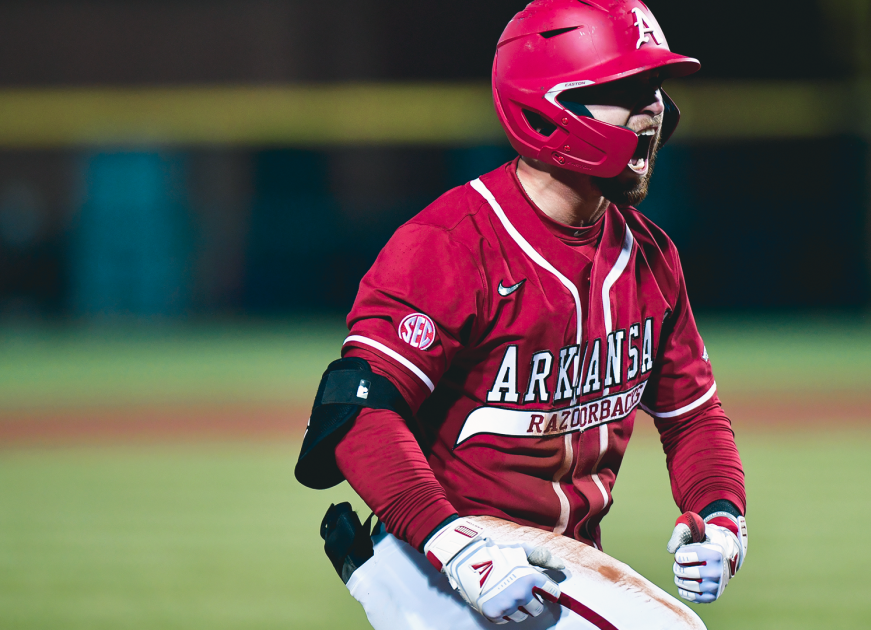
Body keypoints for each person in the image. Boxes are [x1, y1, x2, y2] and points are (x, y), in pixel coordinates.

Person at [295, 1, 746, 628]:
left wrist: (722, 518)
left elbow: (693, 418)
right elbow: (357, 412)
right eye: (627, 89)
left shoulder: (649, 256)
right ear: (547, 105)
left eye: (656, 89)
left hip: (557, 564)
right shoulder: (452, 242)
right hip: (446, 552)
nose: (653, 111)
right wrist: (458, 550)